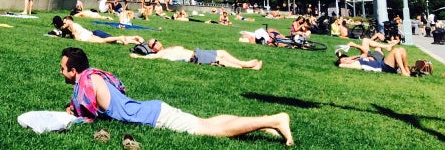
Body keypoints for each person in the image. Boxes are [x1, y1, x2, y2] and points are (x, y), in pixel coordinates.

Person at [59, 47, 293, 145]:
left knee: (211, 130)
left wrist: (72, 114)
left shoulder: (86, 82)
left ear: (74, 70)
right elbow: (112, 92)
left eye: (63, 68)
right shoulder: (94, 76)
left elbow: (88, 115)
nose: (61, 72)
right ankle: (261, 127)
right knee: (207, 122)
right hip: (153, 110)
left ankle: (274, 119)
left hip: (154, 117)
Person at [131, 39, 262, 70]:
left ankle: (244, 63)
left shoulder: (167, 48)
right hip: (195, 57)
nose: (157, 43)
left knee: (222, 52)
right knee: (220, 59)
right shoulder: (161, 54)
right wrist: (137, 56)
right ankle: (249, 68)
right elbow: (150, 57)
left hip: (197, 51)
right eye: (154, 43)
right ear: (153, 49)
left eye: (156, 40)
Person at [52, 16, 144, 46]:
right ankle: (134, 40)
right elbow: (64, 35)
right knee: (110, 40)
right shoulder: (65, 25)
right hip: (86, 33)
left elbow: (69, 27)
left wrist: (72, 34)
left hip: (84, 36)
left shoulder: (67, 23)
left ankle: (121, 37)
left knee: (105, 40)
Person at [335, 44, 411, 76]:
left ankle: (406, 69)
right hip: (383, 68)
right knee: (395, 51)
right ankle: (403, 71)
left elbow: (346, 58)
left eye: (345, 59)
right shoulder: (356, 64)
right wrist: (341, 61)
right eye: (344, 61)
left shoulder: (357, 60)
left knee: (402, 49)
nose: (346, 60)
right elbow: (341, 65)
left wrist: (341, 56)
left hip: (382, 64)